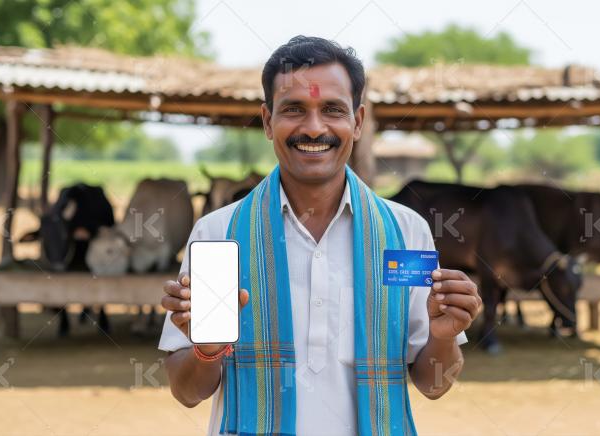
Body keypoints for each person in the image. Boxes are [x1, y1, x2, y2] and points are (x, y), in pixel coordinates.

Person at [159, 35, 482, 436]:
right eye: (294, 109)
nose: (314, 128)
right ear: (267, 121)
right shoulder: (219, 234)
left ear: (358, 121)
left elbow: (434, 384)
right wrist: (207, 351)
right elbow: (187, 393)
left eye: (332, 110)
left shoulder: (405, 232)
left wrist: (442, 336)